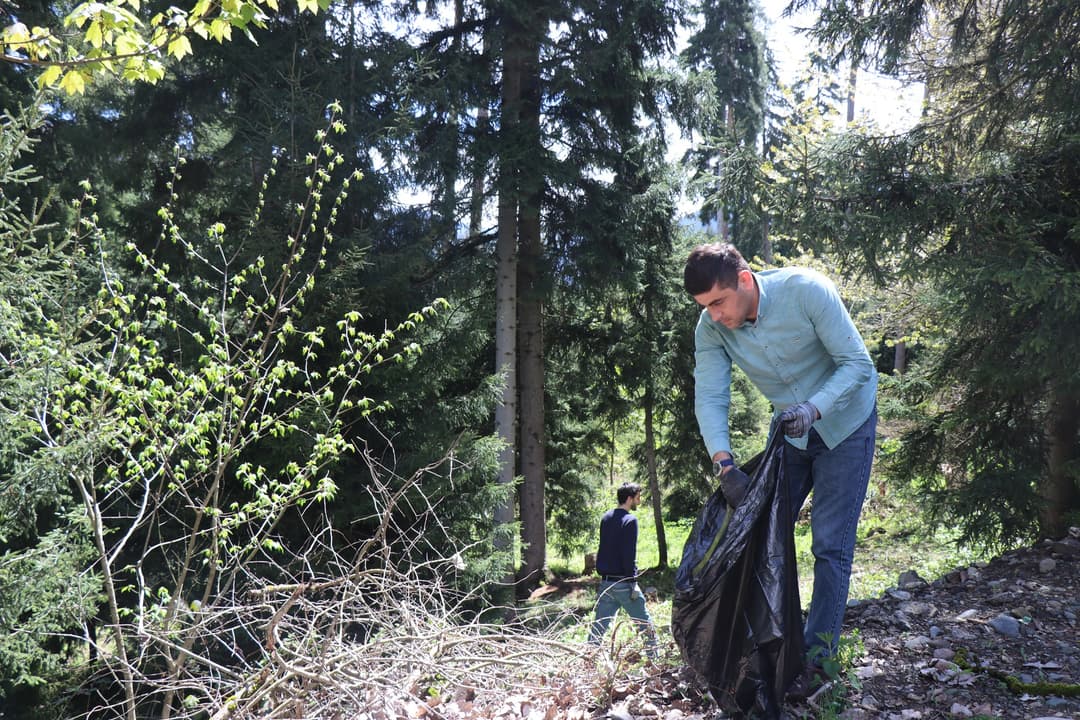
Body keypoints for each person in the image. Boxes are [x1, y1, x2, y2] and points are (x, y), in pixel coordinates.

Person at [683, 242, 878, 696]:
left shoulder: (807, 291)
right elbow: (710, 396)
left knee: (830, 545)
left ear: (745, 281)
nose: (713, 315)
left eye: (717, 302)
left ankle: (817, 657)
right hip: (789, 433)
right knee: (757, 532)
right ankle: (755, 647)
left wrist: (814, 408)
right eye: (703, 306)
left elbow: (859, 366)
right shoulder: (711, 328)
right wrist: (725, 465)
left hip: (846, 424)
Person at [587, 482, 658, 659]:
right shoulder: (630, 520)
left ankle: (587, 660)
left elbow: (604, 548)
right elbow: (628, 553)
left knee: (598, 627)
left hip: (606, 582)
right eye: (637, 498)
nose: (639, 501)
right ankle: (655, 662)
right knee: (645, 624)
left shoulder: (606, 517)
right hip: (623, 584)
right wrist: (632, 581)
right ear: (629, 498)